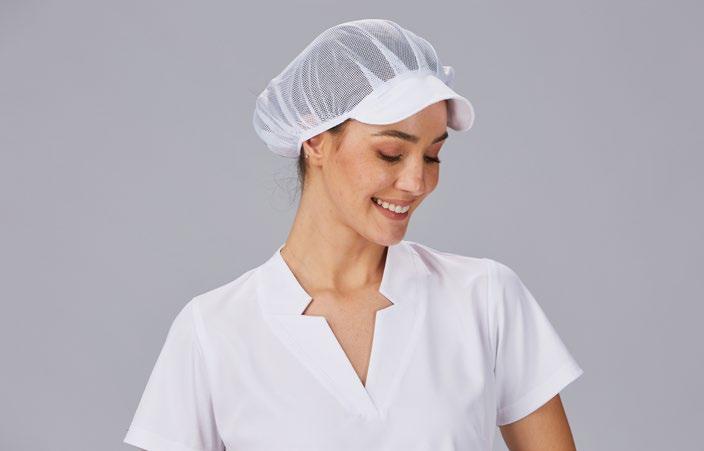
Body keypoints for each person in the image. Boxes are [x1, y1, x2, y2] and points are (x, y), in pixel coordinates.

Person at [123, 18, 583, 451]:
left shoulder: (484, 299)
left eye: (432, 156)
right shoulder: (215, 331)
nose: (416, 182)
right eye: (390, 153)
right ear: (315, 140)